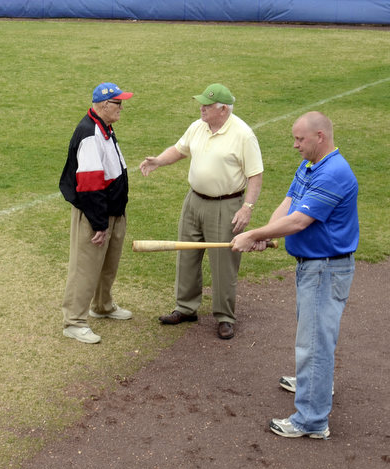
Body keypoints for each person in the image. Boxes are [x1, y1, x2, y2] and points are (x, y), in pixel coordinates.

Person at [232, 111, 358, 440]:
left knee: (314, 343)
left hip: (326, 268)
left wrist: (254, 234)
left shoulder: (333, 173)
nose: (294, 145)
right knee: (314, 337)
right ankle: (313, 385)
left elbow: (300, 222)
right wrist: (267, 234)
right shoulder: (310, 166)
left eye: (300, 139)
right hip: (314, 266)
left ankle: (312, 421)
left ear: (320, 137)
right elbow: (289, 204)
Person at [139, 83, 263, 340]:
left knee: (223, 263)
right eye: (202, 104)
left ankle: (225, 317)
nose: (201, 109)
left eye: (207, 105)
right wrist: (159, 161)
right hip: (194, 200)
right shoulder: (198, 126)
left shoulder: (243, 135)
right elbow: (180, 149)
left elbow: (255, 175)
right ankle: (185, 308)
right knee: (186, 254)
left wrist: (247, 208)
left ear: (223, 109)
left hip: (226, 205)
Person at [59, 82, 134, 344]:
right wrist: (100, 223)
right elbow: (90, 185)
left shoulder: (104, 127)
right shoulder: (90, 134)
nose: (121, 108)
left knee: (107, 265)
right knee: (85, 268)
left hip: (112, 211)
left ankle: (102, 305)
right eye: (118, 103)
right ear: (103, 105)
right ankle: (74, 321)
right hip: (96, 215)